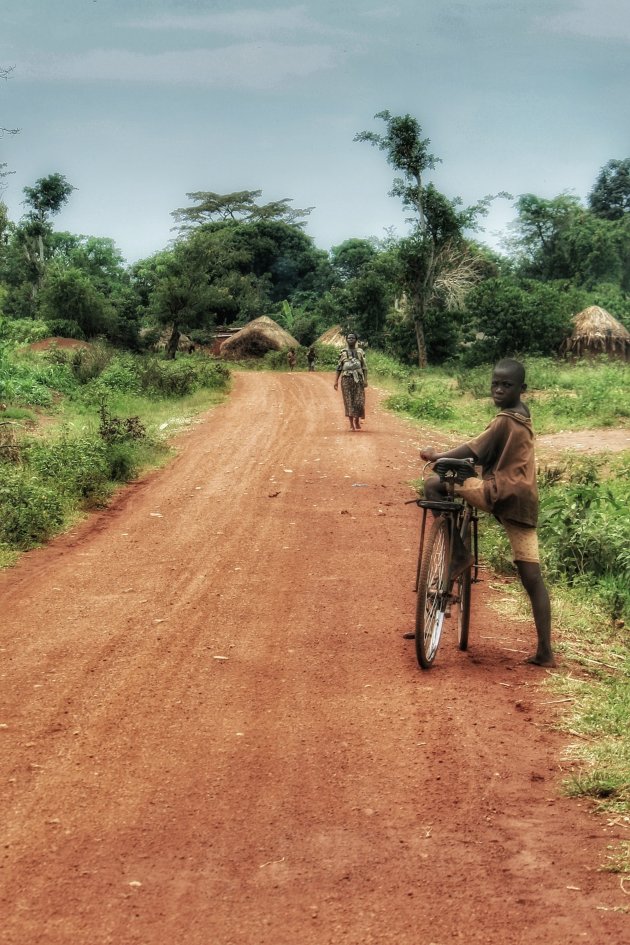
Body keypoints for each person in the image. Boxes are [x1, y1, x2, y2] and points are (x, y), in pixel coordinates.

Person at [414, 358, 554, 667]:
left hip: (496, 492)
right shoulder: (523, 417)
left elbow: (473, 450)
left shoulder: (504, 420)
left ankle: (458, 553)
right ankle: (546, 652)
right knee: (531, 575)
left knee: (435, 486)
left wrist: (439, 456)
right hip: (523, 501)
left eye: (506, 385)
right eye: (496, 384)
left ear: (522, 389)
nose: (499, 390)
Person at [333, 332, 368, 431]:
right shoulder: (343, 352)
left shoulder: (360, 352)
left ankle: (357, 419)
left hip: (358, 380)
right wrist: (336, 381)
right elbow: (339, 368)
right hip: (346, 379)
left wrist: (365, 380)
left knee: (359, 401)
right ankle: (351, 424)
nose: (351, 339)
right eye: (349, 338)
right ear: (346, 339)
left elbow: (364, 367)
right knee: (349, 401)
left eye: (353, 338)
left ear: (356, 340)